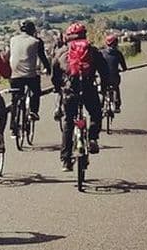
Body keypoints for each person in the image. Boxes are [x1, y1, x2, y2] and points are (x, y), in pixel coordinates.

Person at [51, 22, 109, 172]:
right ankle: (92, 138)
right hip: (89, 90)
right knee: (96, 113)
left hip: (70, 92)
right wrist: (104, 87)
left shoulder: (61, 52)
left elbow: (54, 75)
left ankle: (65, 160)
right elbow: (104, 72)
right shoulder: (92, 50)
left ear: (68, 37)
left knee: (68, 123)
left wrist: (58, 88)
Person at [8, 20, 51, 131]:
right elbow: (42, 57)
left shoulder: (12, 40)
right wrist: (48, 69)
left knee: (15, 99)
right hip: (30, 75)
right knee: (36, 92)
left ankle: (13, 124)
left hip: (14, 74)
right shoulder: (36, 41)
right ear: (33, 30)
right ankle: (33, 111)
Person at [100, 34, 127, 112]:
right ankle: (117, 105)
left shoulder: (102, 53)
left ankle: (101, 104)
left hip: (104, 77)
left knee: (103, 90)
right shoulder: (118, 53)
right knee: (115, 87)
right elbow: (124, 67)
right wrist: (123, 69)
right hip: (114, 76)